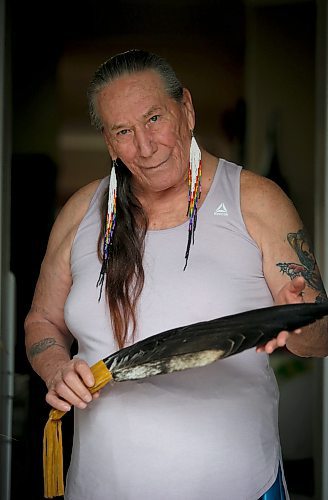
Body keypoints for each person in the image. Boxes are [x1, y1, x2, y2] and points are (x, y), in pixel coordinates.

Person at [24, 49, 328, 500]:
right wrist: (54, 369)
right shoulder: (81, 212)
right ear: (108, 142)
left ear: (185, 108)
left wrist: (297, 320)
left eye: (154, 119)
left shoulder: (255, 201)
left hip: (239, 487)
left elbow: (320, 337)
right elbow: (41, 321)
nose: (145, 147)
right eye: (123, 131)